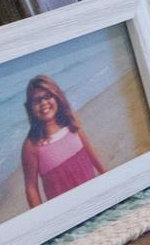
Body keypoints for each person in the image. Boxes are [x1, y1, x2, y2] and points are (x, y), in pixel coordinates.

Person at [19, 75, 106, 207]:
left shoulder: (71, 122)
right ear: (30, 108)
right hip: (66, 209)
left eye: (48, 96)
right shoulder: (31, 146)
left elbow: (90, 151)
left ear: (57, 97)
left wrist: (107, 176)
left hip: (93, 195)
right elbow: (31, 188)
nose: (43, 103)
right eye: (37, 101)